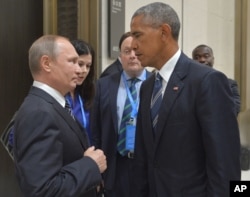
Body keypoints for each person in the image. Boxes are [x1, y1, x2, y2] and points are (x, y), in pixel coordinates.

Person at [130, 2, 241, 197]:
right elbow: (144, 158)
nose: (132, 45)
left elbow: (225, 163)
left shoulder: (207, 81)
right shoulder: (148, 87)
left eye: (137, 35)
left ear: (164, 32)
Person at [13, 35, 107, 197]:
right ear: (46, 64)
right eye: (72, 62)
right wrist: (90, 165)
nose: (79, 70)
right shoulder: (39, 113)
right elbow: (43, 190)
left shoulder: (54, 105)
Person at [91, 31, 152, 197]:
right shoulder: (104, 85)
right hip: (114, 166)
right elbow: (96, 130)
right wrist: (97, 171)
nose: (132, 56)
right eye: (127, 51)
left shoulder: (158, 85)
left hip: (147, 167)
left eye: (136, 50)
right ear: (120, 56)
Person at [192, 44, 241, 115]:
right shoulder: (188, 84)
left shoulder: (229, 84)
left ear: (213, 59)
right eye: (197, 57)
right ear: (192, 61)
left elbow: (234, 110)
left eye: (206, 56)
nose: (202, 60)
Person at [65, 39, 95, 144]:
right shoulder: (58, 93)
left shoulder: (87, 93)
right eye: (80, 64)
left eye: (88, 66)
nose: (84, 71)